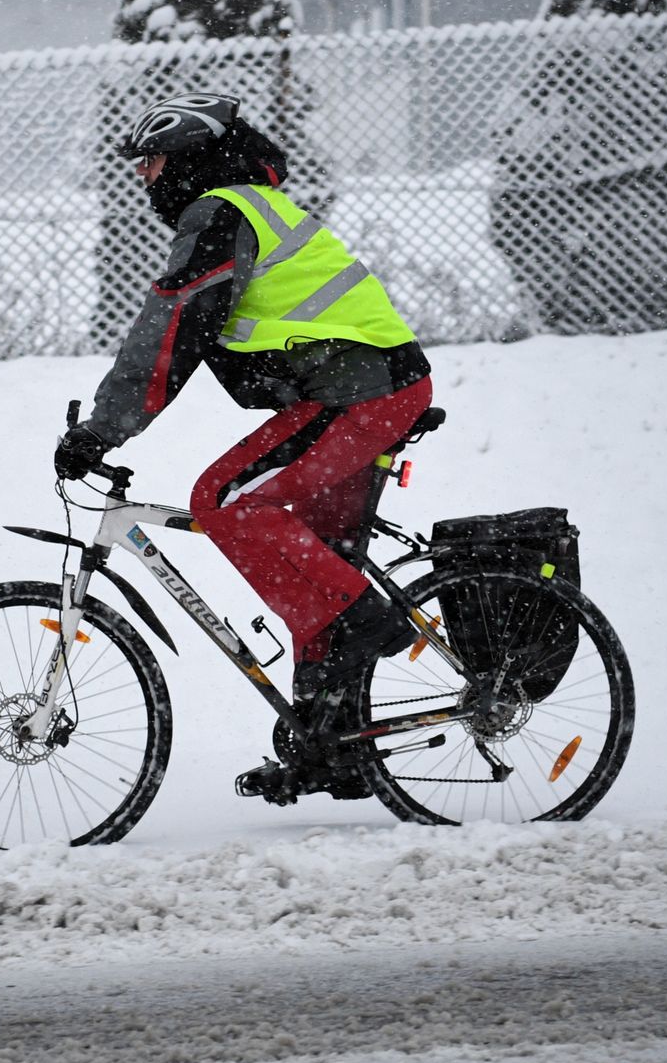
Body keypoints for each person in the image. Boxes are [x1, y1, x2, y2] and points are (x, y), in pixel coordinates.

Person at [55, 91, 434, 800]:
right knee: (310, 564)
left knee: (224, 500)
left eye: (153, 162)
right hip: (356, 389)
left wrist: (101, 431)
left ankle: (367, 623)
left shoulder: (221, 212)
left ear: (189, 159)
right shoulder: (245, 208)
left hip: (365, 392)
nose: (143, 179)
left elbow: (170, 332)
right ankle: (335, 745)